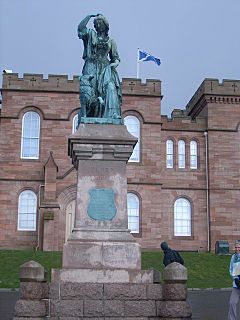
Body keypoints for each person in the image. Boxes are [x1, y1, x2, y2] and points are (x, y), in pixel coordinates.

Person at [77, 14, 122, 121]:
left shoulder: (111, 41)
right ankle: (88, 116)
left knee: (110, 88)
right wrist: (88, 16)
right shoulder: (90, 34)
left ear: (105, 25)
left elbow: (115, 58)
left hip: (105, 68)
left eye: (100, 23)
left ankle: (112, 114)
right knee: (90, 92)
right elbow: (80, 28)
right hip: (91, 66)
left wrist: (115, 63)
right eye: (95, 23)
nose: (97, 25)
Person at [227, 241, 240, 320]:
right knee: (232, 302)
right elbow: (231, 269)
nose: (237, 249)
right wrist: (235, 278)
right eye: (236, 247)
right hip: (236, 284)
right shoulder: (233, 257)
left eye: (239, 247)